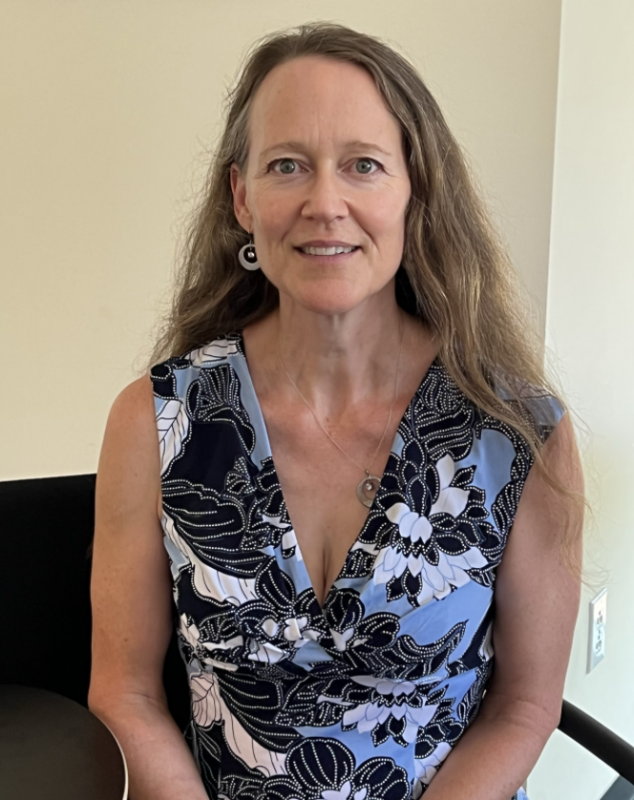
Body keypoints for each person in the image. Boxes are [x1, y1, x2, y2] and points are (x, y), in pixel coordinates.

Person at [88, 21, 585, 800]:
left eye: (364, 165)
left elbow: (524, 706)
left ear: (415, 190)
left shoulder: (518, 433)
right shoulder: (154, 423)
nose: (326, 202)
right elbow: (126, 693)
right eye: (288, 165)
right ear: (242, 198)